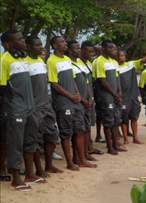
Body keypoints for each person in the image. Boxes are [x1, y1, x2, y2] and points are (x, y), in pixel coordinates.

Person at [0, 30, 35, 191]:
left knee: (29, 140)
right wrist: (10, 108)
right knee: (15, 143)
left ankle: (30, 174)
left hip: (30, 107)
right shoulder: (4, 60)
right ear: (8, 44)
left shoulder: (23, 58)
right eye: (19, 39)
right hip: (15, 109)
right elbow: (2, 87)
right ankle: (16, 178)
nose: (23, 41)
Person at [25, 36, 63, 176]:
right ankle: (38, 170)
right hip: (34, 108)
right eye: (36, 45)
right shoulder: (25, 63)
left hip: (47, 106)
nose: (41, 47)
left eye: (41, 44)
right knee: (34, 140)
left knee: (52, 137)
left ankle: (48, 166)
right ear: (28, 47)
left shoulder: (41, 61)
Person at [48, 36, 86, 170]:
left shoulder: (67, 59)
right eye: (61, 42)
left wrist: (77, 94)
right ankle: (69, 163)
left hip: (75, 101)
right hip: (64, 103)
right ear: (54, 45)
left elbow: (73, 79)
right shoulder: (51, 61)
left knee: (79, 130)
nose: (65, 44)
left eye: (65, 41)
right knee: (66, 133)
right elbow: (54, 84)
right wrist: (70, 96)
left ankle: (81, 160)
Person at [117, 48, 146, 144]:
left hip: (133, 96)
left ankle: (135, 138)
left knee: (134, 118)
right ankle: (125, 139)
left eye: (123, 55)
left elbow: (143, 60)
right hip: (123, 97)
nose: (122, 57)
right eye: (120, 56)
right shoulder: (114, 68)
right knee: (124, 119)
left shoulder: (131, 64)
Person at [66, 40, 97, 168]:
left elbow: (88, 82)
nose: (78, 50)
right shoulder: (68, 63)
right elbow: (72, 85)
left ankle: (84, 154)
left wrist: (90, 98)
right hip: (78, 103)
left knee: (85, 129)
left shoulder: (81, 63)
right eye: (76, 48)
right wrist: (83, 100)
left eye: (79, 48)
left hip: (88, 101)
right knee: (78, 131)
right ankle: (79, 159)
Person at [93, 40, 126, 155]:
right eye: (111, 48)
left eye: (114, 48)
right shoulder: (99, 61)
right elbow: (102, 80)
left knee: (116, 120)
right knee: (108, 121)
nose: (114, 50)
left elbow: (117, 78)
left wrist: (119, 93)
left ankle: (116, 144)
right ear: (104, 48)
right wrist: (114, 94)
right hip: (106, 96)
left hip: (115, 96)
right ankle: (110, 146)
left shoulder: (114, 62)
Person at [80, 41, 103, 155]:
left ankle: (90, 147)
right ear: (82, 50)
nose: (91, 54)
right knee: (82, 126)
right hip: (81, 100)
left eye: (92, 52)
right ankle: (85, 151)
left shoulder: (90, 63)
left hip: (90, 98)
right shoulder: (76, 63)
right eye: (89, 51)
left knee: (88, 124)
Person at [0, 32, 11, 182]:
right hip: (5, 103)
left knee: (6, 138)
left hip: (9, 104)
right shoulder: (3, 60)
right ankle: (2, 168)